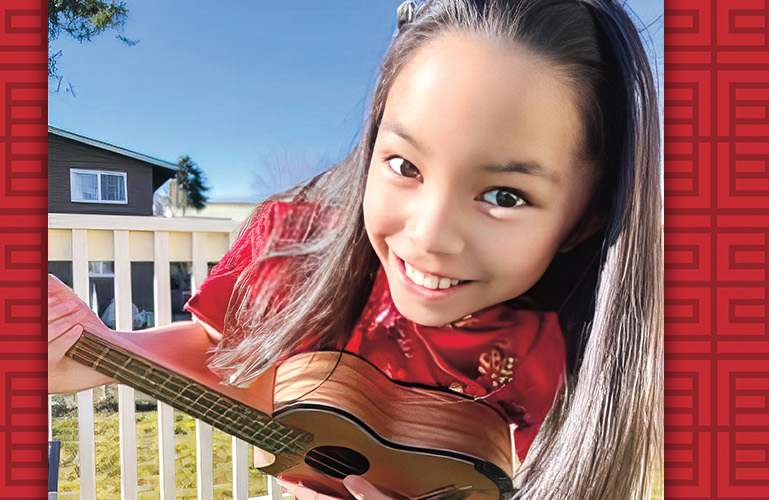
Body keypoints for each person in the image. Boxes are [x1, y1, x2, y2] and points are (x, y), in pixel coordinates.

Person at [47, 0, 663, 498]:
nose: (427, 236)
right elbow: (224, 352)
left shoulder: (556, 347)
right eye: (403, 164)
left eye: (503, 195)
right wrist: (102, 352)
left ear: (585, 221)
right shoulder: (293, 247)